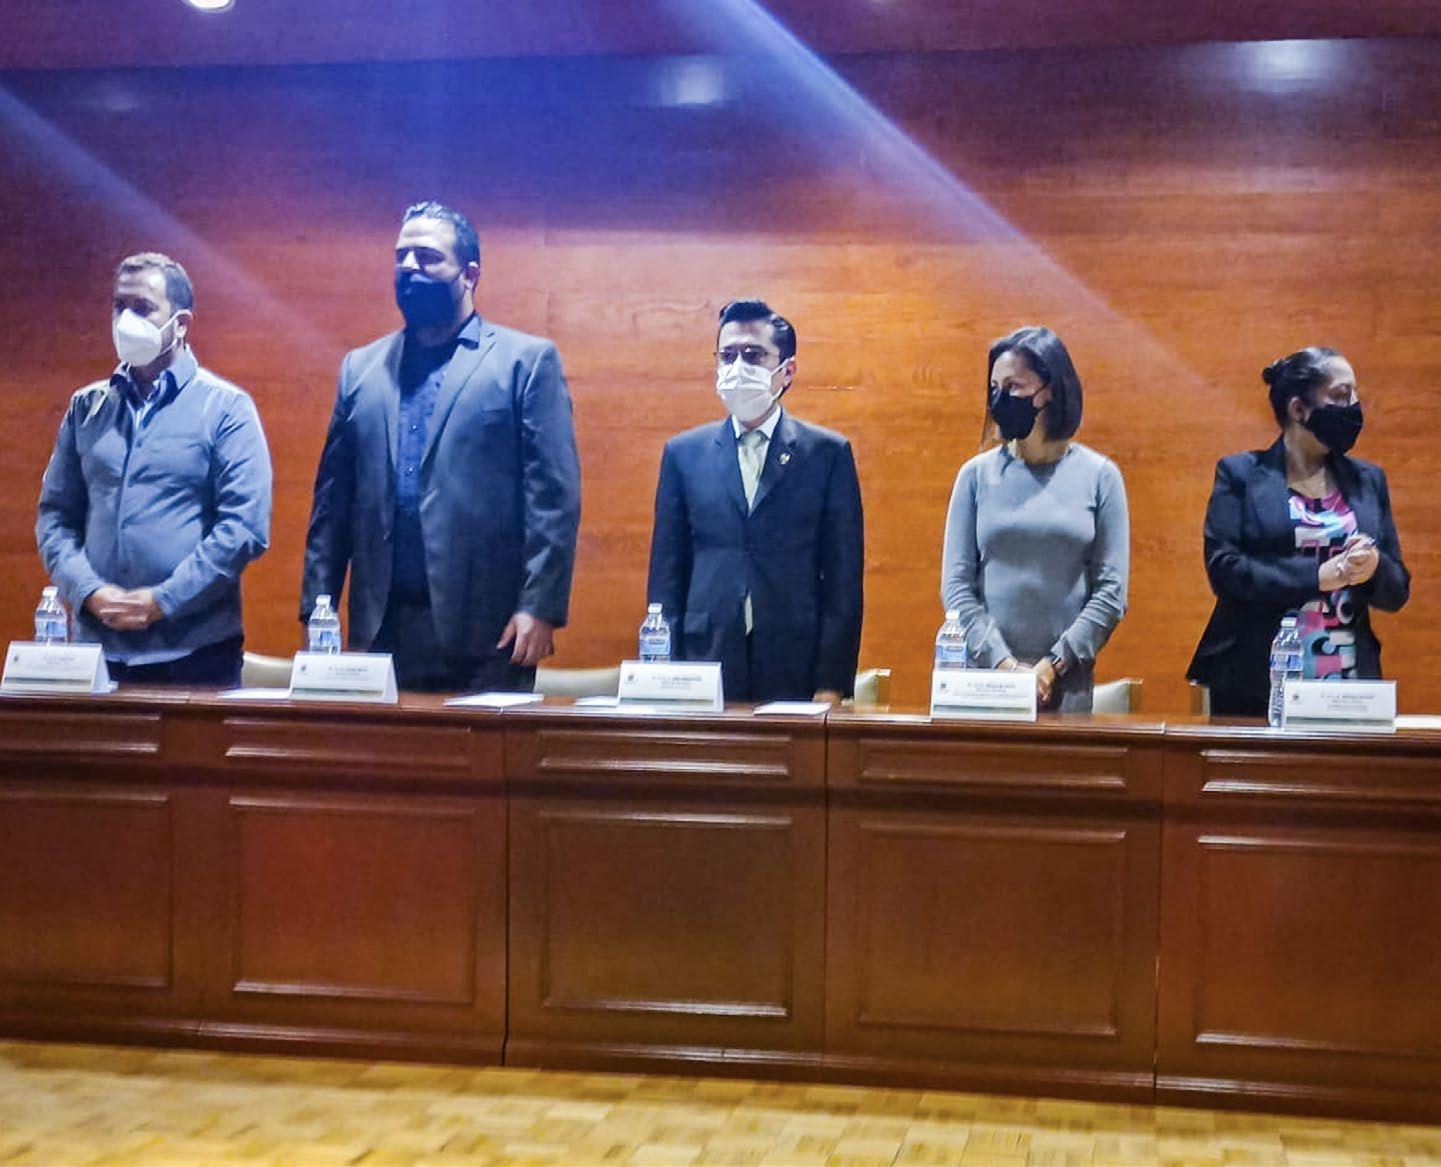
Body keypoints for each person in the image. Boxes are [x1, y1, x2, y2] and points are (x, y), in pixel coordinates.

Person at [301, 200, 581, 692]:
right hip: (382, 624)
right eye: (401, 257)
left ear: (469, 274)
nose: (410, 267)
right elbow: (332, 504)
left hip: (490, 628)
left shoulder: (524, 362)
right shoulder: (361, 368)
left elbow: (553, 500)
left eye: (428, 257)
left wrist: (540, 605)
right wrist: (316, 607)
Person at [35, 252, 272, 687]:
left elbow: (243, 528)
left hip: (195, 655)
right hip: (96, 654)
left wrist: (163, 600)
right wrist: (89, 591)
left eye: (142, 308)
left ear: (180, 324)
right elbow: (55, 518)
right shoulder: (86, 408)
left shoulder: (226, 409)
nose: (126, 320)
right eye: (119, 306)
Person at [646, 299, 864, 703]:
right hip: (703, 656)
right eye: (727, 355)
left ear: (787, 370)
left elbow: (842, 581)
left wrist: (832, 682)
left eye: (753, 355)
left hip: (794, 659)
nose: (737, 367)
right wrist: (663, 666)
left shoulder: (827, 454)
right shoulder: (684, 454)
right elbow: (667, 573)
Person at [1188, 347, 1409, 716]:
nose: (1355, 406)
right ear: (1299, 409)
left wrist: (1374, 568)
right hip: (1256, 679)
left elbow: (1397, 591)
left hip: (1348, 680)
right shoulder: (1240, 474)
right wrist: (1318, 576)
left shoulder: (1368, 480)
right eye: (1342, 395)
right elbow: (1225, 570)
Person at [941, 325, 1128, 712]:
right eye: (994, 388)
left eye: (1014, 387)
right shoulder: (975, 476)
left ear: (1050, 390)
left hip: (1065, 686)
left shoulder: (1100, 476)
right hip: (984, 682)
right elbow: (956, 587)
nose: (1000, 399)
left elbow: (1111, 593)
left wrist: (1053, 665)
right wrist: (1005, 666)